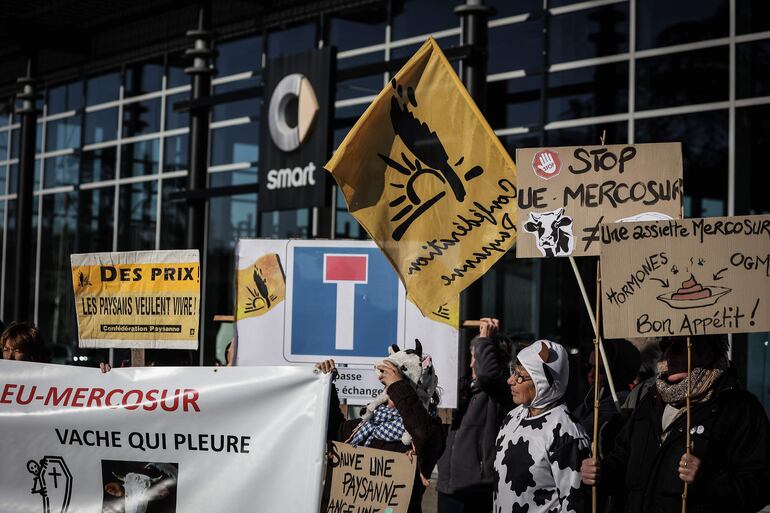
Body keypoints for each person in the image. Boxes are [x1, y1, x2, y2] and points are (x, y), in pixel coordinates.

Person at [581, 335, 770, 513]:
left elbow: (759, 486)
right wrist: (600, 472)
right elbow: (622, 458)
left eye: (679, 348)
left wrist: (706, 481)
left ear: (707, 352)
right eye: (665, 346)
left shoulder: (739, 409)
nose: (668, 355)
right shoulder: (651, 399)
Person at [317, 341, 445, 513]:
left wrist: (397, 385)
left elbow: (421, 431)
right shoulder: (371, 423)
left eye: (393, 387)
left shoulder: (429, 430)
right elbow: (334, 432)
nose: (387, 392)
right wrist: (327, 385)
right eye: (387, 388)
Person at [494, 339, 590, 513]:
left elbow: (574, 506)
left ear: (543, 382)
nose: (510, 380)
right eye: (512, 371)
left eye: (519, 376)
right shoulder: (512, 417)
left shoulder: (566, 433)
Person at [437, 318, 514, 513]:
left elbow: (487, 374)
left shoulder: (500, 389)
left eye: (477, 357)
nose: (472, 364)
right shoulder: (464, 388)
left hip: (477, 488)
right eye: (472, 357)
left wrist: (485, 339)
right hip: (448, 486)